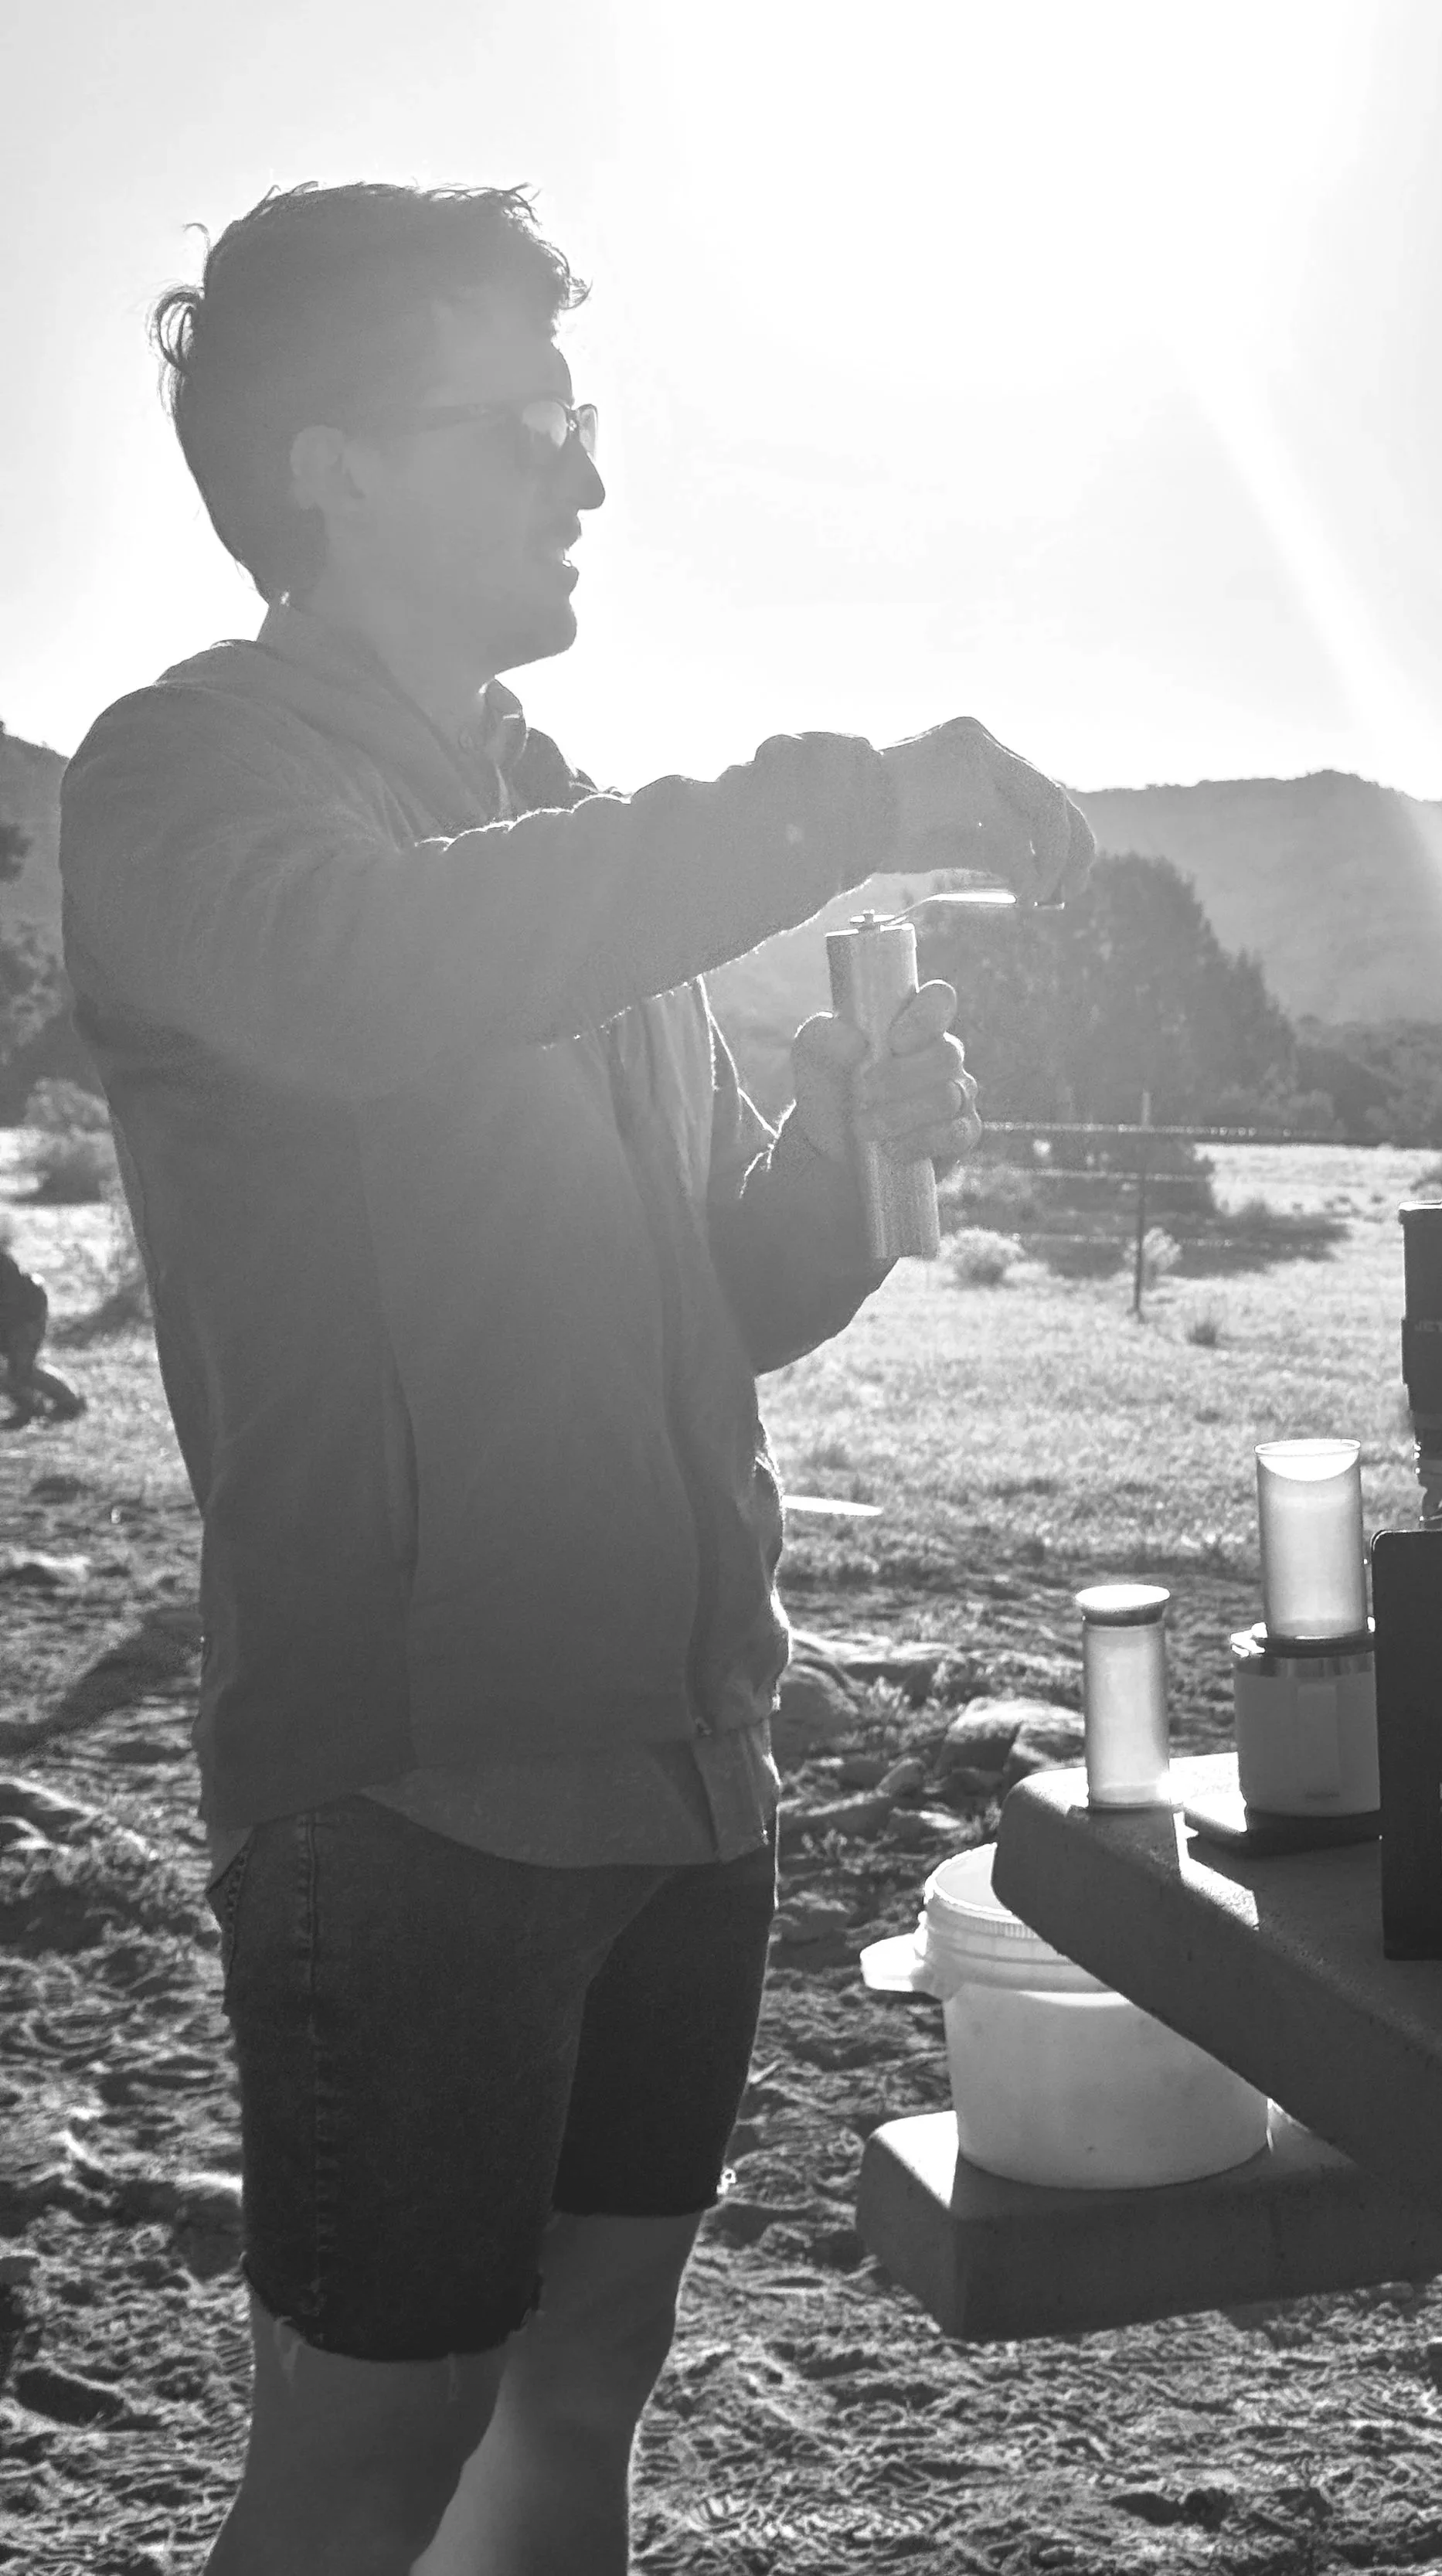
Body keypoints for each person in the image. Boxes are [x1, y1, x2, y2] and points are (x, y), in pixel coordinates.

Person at [58, 180, 1093, 2576]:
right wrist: (841, 797)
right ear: (327, 462)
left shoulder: (559, 825)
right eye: (527, 422)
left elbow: (699, 1290)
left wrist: (833, 1176)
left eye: (583, 420)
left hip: (683, 1761)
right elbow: (366, 980)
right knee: (364, 2453)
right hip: (412, 1780)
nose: (587, 477)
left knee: (579, 2395)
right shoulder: (187, 784)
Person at [0, 1242, 83, 1426]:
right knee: (14, 1370)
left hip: (25, 1314)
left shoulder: (4, 1265)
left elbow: (13, 1299)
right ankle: (29, 1407)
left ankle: (70, 1402)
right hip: (12, 1314)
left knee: (21, 1368)